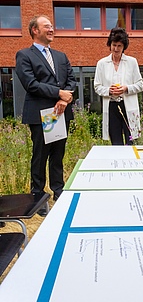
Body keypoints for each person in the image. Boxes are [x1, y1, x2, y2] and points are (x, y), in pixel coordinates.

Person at [16, 15, 76, 215]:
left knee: (58, 155)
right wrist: (58, 93)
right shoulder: (24, 55)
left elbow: (71, 80)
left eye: (52, 26)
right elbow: (31, 84)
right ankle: (38, 197)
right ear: (35, 30)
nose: (51, 29)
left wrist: (64, 99)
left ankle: (58, 191)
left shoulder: (61, 56)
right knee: (40, 156)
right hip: (40, 114)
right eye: (47, 26)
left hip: (60, 113)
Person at [94, 27, 143, 145]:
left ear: (124, 47)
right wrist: (109, 91)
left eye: (119, 46)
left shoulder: (132, 62)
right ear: (110, 45)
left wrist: (126, 88)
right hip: (111, 107)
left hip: (128, 106)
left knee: (131, 142)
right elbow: (97, 86)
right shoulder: (102, 64)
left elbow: (140, 84)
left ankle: (132, 163)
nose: (116, 49)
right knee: (116, 143)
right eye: (114, 45)